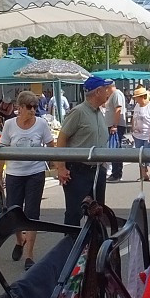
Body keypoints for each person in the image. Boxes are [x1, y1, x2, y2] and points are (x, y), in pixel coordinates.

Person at [0, 91, 55, 270]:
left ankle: (29, 255)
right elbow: (2, 149)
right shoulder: (9, 125)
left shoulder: (41, 124)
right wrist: (0, 175)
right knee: (13, 213)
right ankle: (19, 240)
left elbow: (51, 145)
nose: (33, 110)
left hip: (35, 172)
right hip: (15, 173)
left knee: (32, 214)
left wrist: (54, 165)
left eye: (35, 107)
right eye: (29, 107)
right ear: (20, 108)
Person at [53, 76, 113, 225]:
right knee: (74, 213)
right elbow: (62, 138)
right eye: (106, 89)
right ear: (98, 91)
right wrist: (60, 167)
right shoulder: (78, 112)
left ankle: (94, 246)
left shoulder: (99, 112)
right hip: (79, 170)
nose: (108, 92)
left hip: (98, 170)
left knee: (98, 212)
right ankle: (71, 245)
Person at [130, 86, 150, 181]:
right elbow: (134, 117)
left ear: (142, 96)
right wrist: (132, 128)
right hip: (138, 135)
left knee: (149, 154)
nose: (135, 99)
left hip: (148, 134)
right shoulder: (137, 106)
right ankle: (143, 174)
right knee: (140, 155)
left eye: (137, 97)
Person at [105, 81, 127, 182]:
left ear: (109, 87)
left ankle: (117, 174)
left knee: (115, 149)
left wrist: (115, 125)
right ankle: (115, 173)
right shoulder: (112, 95)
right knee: (113, 149)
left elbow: (118, 110)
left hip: (115, 126)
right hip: (111, 125)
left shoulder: (116, 94)